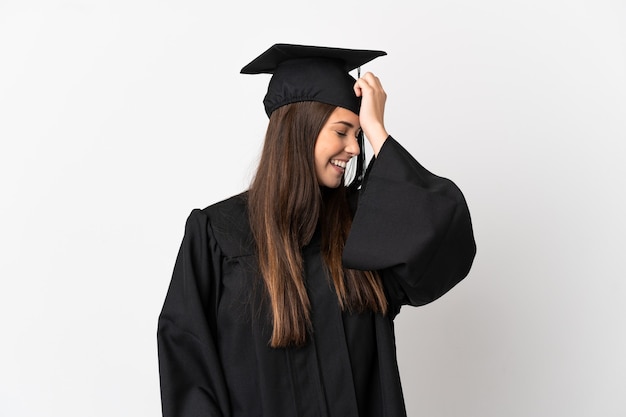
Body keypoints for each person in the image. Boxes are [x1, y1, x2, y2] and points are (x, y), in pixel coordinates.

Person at [157, 43, 476, 417]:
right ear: (300, 130)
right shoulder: (219, 234)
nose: (354, 149)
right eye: (343, 132)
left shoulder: (365, 226)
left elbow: (445, 236)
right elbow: (188, 369)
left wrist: (377, 131)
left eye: (358, 136)